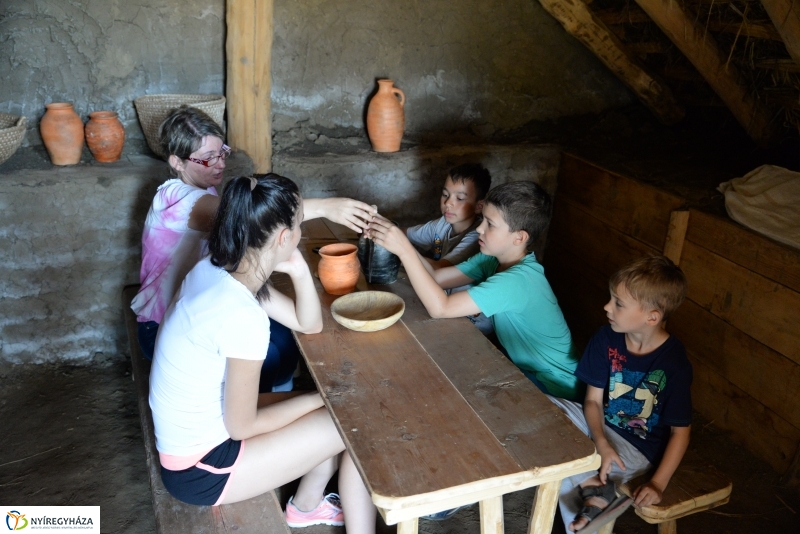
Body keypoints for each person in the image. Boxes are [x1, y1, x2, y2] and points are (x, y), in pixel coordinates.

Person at [149, 174, 376, 532]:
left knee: (324, 406)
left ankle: (305, 507)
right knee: (350, 422)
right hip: (201, 468)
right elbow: (241, 426)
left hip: (202, 433)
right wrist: (323, 400)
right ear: (285, 238)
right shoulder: (242, 315)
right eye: (300, 223)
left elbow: (309, 324)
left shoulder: (220, 267)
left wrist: (300, 269)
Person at [367, 180, 581, 520]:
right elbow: (437, 277)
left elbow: (440, 308)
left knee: (467, 404)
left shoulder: (518, 280)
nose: (479, 228)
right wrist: (400, 243)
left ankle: (452, 490)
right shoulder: (494, 259)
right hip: (523, 372)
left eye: (490, 224)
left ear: (519, 237)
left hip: (553, 388)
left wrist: (404, 249)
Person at [131, 107, 375, 392]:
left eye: (222, 152)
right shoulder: (173, 199)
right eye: (208, 158)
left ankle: (273, 398)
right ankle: (262, 408)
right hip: (161, 326)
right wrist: (327, 207)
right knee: (266, 356)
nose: (220, 163)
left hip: (208, 302)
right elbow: (246, 215)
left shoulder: (208, 194)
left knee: (284, 340)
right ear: (177, 162)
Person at [550, 255, 691, 533]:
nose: (606, 307)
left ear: (652, 317)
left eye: (618, 303)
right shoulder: (606, 338)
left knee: (561, 465)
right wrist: (601, 442)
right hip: (599, 424)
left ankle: (585, 511)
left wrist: (658, 483)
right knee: (543, 407)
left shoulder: (674, 363)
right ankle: (595, 489)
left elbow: (680, 433)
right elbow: (592, 400)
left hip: (637, 447)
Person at [404, 163, 491, 269]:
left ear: (478, 206)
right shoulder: (442, 224)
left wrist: (402, 250)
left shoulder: (475, 237)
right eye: (445, 195)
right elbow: (405, 233)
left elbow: (439, 268)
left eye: (459, 198)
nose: (448, 202)